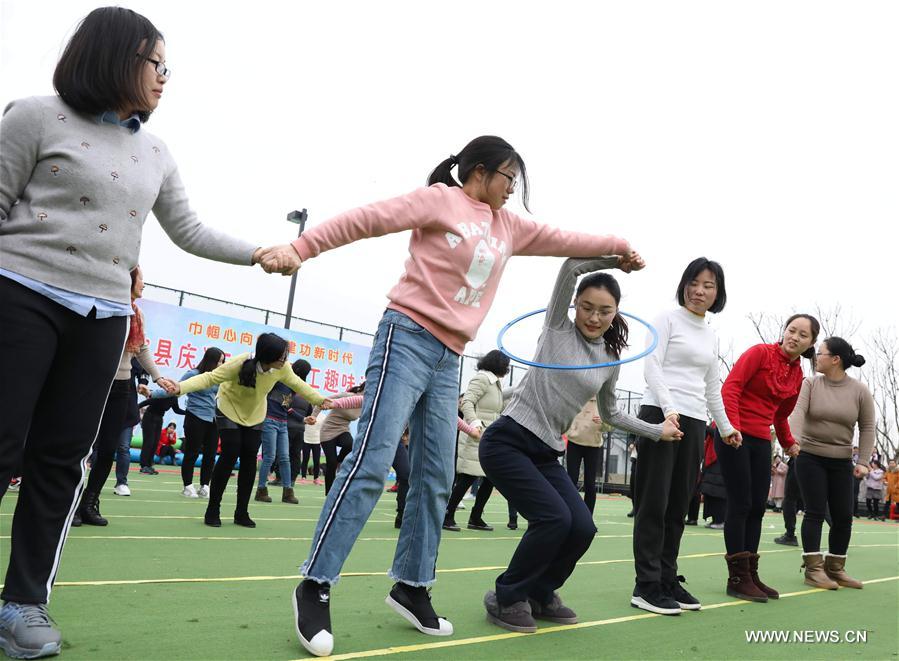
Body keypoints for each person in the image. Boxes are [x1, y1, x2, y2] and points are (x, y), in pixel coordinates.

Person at [271, 135, 642, 657]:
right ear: (480, 172)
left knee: (435, 474)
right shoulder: (440, 200)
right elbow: (366, 218)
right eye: (509, 178)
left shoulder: (508, 226)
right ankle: (316, 582)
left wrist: (616, 247)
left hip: (450, 355)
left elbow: (563, 237)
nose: (513, 190)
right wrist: (300, 247)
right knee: (374, 460)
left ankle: (412, 585)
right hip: (407, 336)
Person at [0, 4, 290, 654]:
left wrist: (259, 251)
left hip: (101, 317)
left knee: (61, 461)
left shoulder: (153, 150)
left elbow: (188, 230)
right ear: (115, 57)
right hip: (19, 293)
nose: (165, 77)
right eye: (156, 63)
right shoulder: (33, 115)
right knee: (2, 442)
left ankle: (22, 604)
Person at [478, 258, 681, 633]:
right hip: (508, 440)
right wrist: (613, 258)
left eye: (604, 311)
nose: (593, 317)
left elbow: (612, 413)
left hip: (546, 451)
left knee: (582, 527)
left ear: (616, 313)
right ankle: (506, 596)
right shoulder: (556, 328)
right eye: (587, 308)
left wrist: (657, 431)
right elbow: (572, 267)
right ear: (574, 306)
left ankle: (540, 592)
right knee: (553, 519)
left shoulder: (609, 359)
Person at [631, 257, 740, 614]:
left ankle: (666, 578)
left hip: (694, 422)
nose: (700, 291)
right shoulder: (666, 318)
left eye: (709, 285)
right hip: (661, 417)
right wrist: (668, 407)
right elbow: (652, 366)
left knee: (679, 504)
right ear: (684, 284)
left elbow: (711, 386)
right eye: (695, 282)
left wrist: (725, 427)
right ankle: (645, 585)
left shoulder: (711, 334)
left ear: (718, 293)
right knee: (654, 502)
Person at [168, 333, 330, 528]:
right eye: (282, 356)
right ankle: (213, 509)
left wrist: (320, 400)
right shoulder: (239, 363)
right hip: (228, 408)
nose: (285, 360)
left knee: (249, 458)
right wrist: (180, 387)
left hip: (255, 413)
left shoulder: (282, 368)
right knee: (230, 452)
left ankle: (241, 512)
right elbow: (209, 378)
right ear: (267, 355)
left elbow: (298, 384)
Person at [717, 313, 820, 603]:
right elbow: (731, 388)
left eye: (803, 335)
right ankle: (736, 578)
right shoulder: (759, 353)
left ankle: (750, 573)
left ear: (811, 342)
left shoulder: (798, 374)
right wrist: (730, 427)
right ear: (784, 331)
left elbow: (781, 414)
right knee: (740, 504)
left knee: (757, 508)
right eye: (792, 330)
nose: (795, 337)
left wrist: (789, 443)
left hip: (761, 439)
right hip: (732, 434)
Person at [77, 267, 172, 527]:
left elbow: (141, 348)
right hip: (95, 383)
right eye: (142, 280)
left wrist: (158, 377)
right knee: (82, 447)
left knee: (108, 449)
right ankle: (70, 505)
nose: (144, 285)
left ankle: (89, 503)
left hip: (122, 387)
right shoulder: (106, 306)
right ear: (127, 281)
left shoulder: (137, 314)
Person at [788, 336, 875, 589]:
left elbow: (868, 427)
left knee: (843, 516)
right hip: (810, 456)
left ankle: (835, 568)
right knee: (814, 511)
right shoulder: (811, 384)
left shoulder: (859, 391)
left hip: (842, 461)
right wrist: (792, 441)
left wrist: (864, 461)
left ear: (835, 359)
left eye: (822, 353)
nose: (817, 357)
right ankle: (813, 570)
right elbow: (798, 413)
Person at [444, 350, 512, 532]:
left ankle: (476, 517)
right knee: (467, 477)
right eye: (506, 366)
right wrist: (475, 424)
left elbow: (498, 405)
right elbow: (466, 402)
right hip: (475, 435)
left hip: (489, 438)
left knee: (491, 478)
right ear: (499, 364)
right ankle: (447, 515)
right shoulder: (482, 378)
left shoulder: (494, 383)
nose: (507, 369)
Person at [255, 360, 307, 505]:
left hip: (283, 422)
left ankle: (287, 492)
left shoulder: (294, 386)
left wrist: (302, 418)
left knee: (285, 457)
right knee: (270, 457)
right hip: (269, 420)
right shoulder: (276, 378)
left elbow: (286, 407)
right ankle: (261, 490)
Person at [179, 347, 225, 498]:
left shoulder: (219, 378)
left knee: (210, 454)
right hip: (195, 416)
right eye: (219, 361)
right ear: (211, 360)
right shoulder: (193, 374)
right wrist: (154, 394)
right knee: (192, 452)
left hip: (213, 419)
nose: (221, 364)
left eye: (223, 362)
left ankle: (205, 484)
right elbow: (177, 388)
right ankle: (187, 485)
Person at [307, 383, 366, 495]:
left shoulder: (366, 405)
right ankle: (329, 493)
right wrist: (313, 416)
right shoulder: (347, 395)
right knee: (331, 464)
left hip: (343, 429)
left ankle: (338, 461)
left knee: (350, 444)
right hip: (328, 431)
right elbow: (323, 401)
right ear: (364, 389)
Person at [564, 397, 605, 514]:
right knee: (571, 480)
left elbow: (610, 424)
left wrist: (603, 422)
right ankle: (569, 514)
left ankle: (588, 518)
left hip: (594, 446)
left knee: (590, 484)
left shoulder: (603, 399)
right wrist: (570, 430)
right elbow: (566, 413)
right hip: (574, 442)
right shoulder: (578, 394)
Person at [699, 425, 726, 530]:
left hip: (719, 461)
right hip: (711, 462)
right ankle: (716, 519)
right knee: (711, 492)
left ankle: (720, 520)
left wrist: (707, 428)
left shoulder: (726, 418)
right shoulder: (715, 421)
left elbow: (722, 434)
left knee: (718, 492)